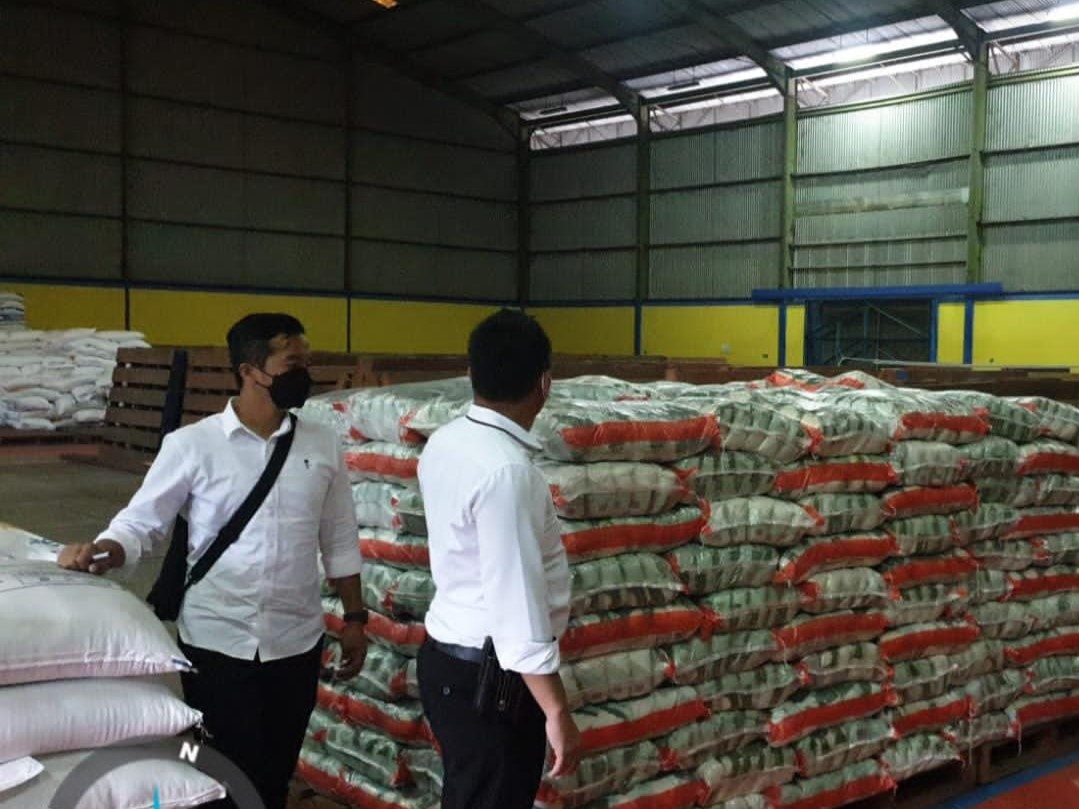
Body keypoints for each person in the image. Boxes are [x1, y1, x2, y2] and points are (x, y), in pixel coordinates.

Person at [58, 313, 368, 809]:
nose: (304, 373)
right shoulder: (192, 445)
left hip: (296, 641)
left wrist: (355, 618)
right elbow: (142, 521)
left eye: (306, 362)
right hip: (216, 642)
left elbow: (339, 537)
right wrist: (107, 549)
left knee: (275, 770)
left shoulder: (322, 443)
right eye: (292, 362)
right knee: (219, 771)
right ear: (250, 370)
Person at [416, 308, 581, 809]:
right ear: (544, 383)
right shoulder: (508, 472)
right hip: (491, 683)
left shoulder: (446, 441)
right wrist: (556, 710)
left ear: (471, 373)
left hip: (450, 661)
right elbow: (517, 608)